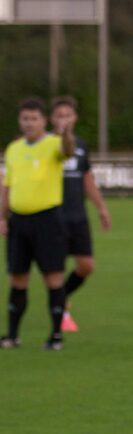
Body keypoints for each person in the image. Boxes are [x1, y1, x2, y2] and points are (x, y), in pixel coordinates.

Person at [0, 97, 76, 351]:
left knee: (53, 277)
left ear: (44, 121)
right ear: (20, 121)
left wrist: (66, 133)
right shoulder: (13, 149)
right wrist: (2, 216)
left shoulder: (54, 144)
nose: (29, 123)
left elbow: (67, 151)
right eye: (25, 119)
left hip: (47, 220)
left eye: (34, 119)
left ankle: (55, 336)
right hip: (18, 222)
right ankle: (12, 335)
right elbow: (7, 186)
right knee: (17, 278)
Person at [50, 96, 112, 333]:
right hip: (53, 215)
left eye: (68, 115)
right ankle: (61, 314)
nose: (64, 119)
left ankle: (62, 298)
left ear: (74, 118)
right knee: (54, 267)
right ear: (52, 119)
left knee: (86, 266)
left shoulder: (82, 146)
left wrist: (101, 208)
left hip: (78, 215)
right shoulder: (46, 144)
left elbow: (88, 180)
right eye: (59, 115)